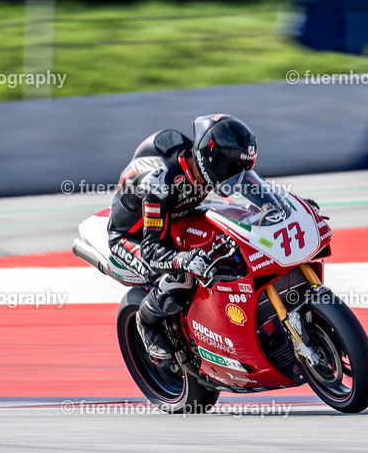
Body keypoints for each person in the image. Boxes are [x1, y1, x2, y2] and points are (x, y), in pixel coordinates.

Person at [107, 113, 258, 362]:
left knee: (229, 241)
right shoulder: (161, 181)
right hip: (132, 237)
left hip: (177, 216)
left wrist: (284, 207)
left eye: (242, 168)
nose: (236, 174)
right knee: (179, 276)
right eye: (231, 167)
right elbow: (152, 250)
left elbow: (250, 194)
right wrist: (184, 259)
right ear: (211, 158)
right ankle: (146, 322)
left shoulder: (206, 168)